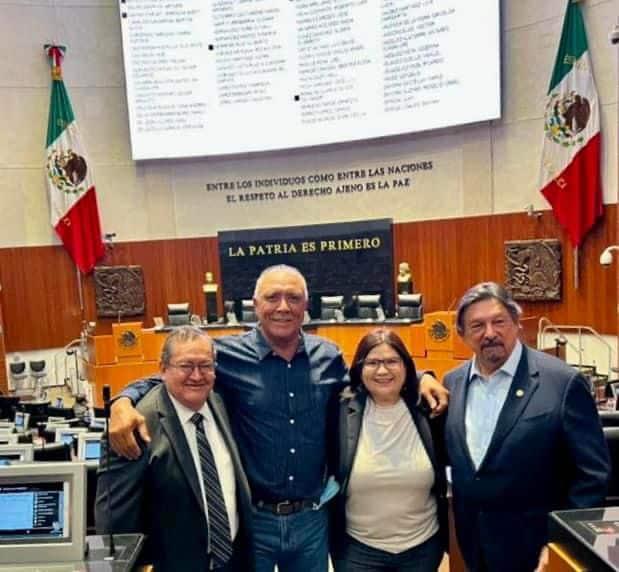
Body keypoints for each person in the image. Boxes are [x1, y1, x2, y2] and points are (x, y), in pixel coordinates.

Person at [109, 265, 449, 572]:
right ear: (256, 305)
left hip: (311, 518)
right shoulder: (226, 355)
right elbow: (174, 373)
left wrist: (422, 376)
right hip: (253, 520)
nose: (283, 306)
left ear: (306, 307)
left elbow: (372, 378)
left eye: (293, 298)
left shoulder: (327, 356)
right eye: (273, 297)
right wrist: (123, 401)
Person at [444, 282, 610, 572]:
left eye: (499, 322)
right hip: (474, 545)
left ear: (517, 324)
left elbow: (592, 475)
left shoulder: (561, 382)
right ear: (462, 334)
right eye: (477, 325)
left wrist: (564, 540)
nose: (490, 333)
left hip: (537, 548)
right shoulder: (452, 383)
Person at [95, 326, 254, 571]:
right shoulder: (133, 428)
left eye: (205, 366)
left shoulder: (221, 402)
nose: (197, 375)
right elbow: (113, 529)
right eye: (186, 366)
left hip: (234, 563)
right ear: (163, 369)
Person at [331, 328, 447, 572]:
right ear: (359, 369)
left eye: (392, 361)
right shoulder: (340, 409)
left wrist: (425, 376)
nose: (382, 371)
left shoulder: (428, 408)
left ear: (406, 366)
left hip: (422, 548)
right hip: (357, 551)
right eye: (372, 362)